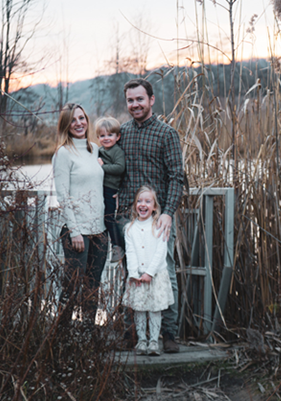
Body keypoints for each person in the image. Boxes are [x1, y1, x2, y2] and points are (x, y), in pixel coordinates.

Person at [117, 78, 185, 353]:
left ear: (151, 100)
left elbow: (177, 177)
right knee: (129, 271)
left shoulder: (166, 134)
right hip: (130, 220)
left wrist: (168, 213)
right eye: (130, 100)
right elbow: (114, 169)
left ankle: (169, 333)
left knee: (164, 272)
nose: (135, 104)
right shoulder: (122, 132)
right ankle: (130, 332)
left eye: (139, 99)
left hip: (159, 220)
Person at [52, 103, 109, 331]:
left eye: (82, 118)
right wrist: (75, 231)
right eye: (73, 120)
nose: (79, 123)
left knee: (93, 285)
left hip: (100, 230)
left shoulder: (94, 149)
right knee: (72, 285)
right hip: (77, 233)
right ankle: (61, 332)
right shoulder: (63, 153)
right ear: (66, 124)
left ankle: (88, 333)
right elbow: (62, 195)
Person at [122, 186, 175, 356]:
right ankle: (141, 341)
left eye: (147, 201)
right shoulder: (130, 229)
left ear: (154, 207)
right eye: (139, 201)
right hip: (137, 276)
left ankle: (153, 341)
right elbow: (130, 253)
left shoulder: (159, 226)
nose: (143, 205)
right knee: (138, 308)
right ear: (135, 205)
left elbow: (161, 253)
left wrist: (150, 273)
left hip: (155, 276)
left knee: (154, 309)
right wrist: (134, 274)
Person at [96, 116, 126, 262]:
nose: (106, 138)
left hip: (110, 188)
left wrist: (102, 167)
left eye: (110, 135)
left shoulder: (116, 151)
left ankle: (118, 246)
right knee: (101, 217)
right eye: (102, 135)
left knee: (109, 217)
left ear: (117, 136)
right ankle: (105, 245)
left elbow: (120, 168)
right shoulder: (99, 151)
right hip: (100, 188)